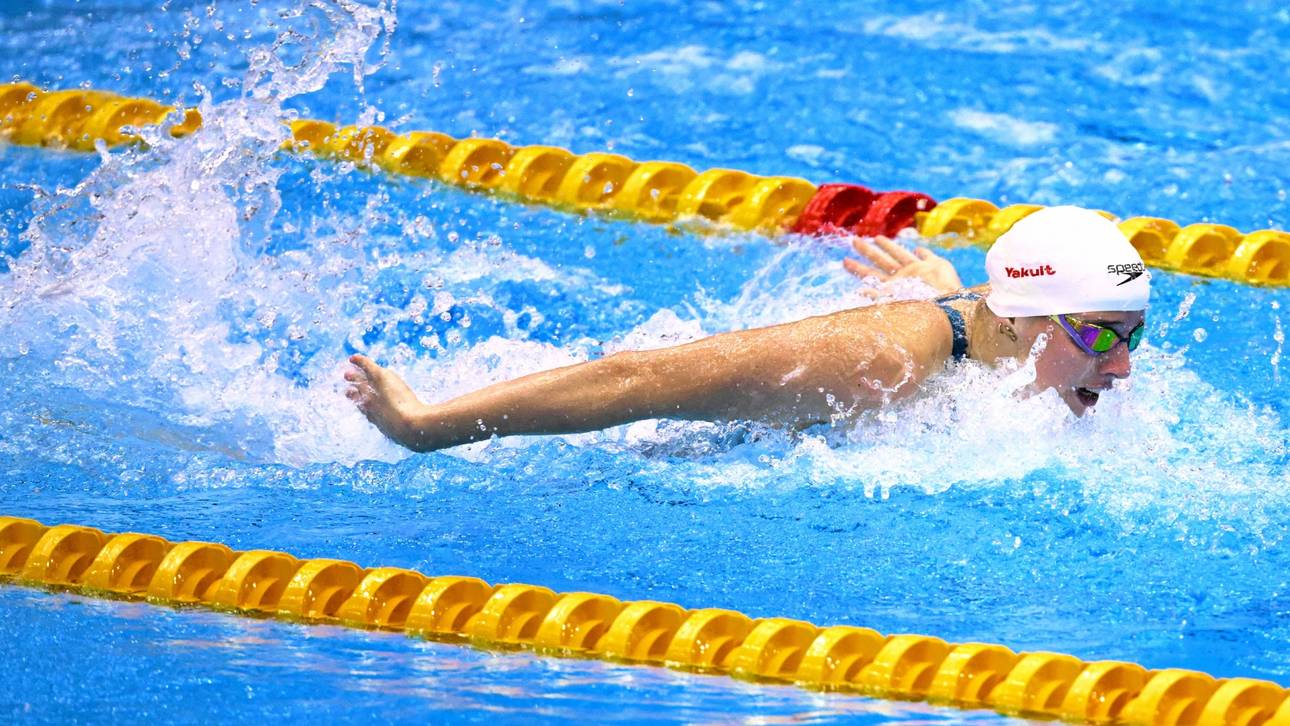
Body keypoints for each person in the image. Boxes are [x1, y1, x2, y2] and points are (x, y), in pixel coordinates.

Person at [344, 206, 1150, 452]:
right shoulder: (882, 359)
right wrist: (426, 425)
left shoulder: (1014, 325)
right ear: (1012, 320)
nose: (1119, 370)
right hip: (640, 443)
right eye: (1101, 337)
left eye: (1131, 336)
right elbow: (638, 381)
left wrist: (942, 288)